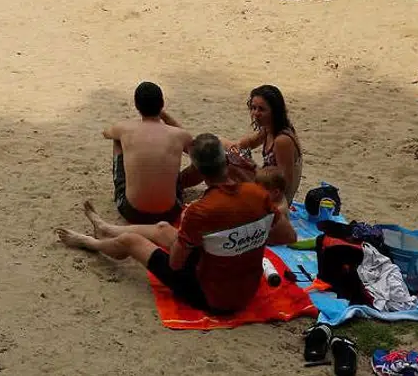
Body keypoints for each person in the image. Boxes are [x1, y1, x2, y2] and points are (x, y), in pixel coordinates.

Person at [57, 135, 296, 315]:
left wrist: (204, 239)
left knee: (133, 242)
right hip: (245, 288)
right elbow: (288, 235)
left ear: (198, 170)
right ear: (226, 162)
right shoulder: (257, 195)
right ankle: (107, 228)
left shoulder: (199, 211)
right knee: (162, 228)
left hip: (212, 297)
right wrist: (246, 235)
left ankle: (92, 243)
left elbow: (175, 263)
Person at [103, 82, 194, 224]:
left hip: (132, 212)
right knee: (198, 157)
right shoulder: (179, 134)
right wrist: (165, 116)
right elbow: (195, 148)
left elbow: (106, 133)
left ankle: (129, 189)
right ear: (162, 104)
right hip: (170, 212)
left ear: (136, 106)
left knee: (117, 140)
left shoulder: (125, 128)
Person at [227, 85, 303, 205]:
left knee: (228, 165)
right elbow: (249, 142)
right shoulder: (270, 127)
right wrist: (236, 148)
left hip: (276, 195)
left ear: (274, 112)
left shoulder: (282, 140)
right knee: (222, 145)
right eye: (253, 108)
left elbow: (284, 184)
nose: (256, 113)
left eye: (261, 109)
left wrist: (250, 166)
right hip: (266, 180)